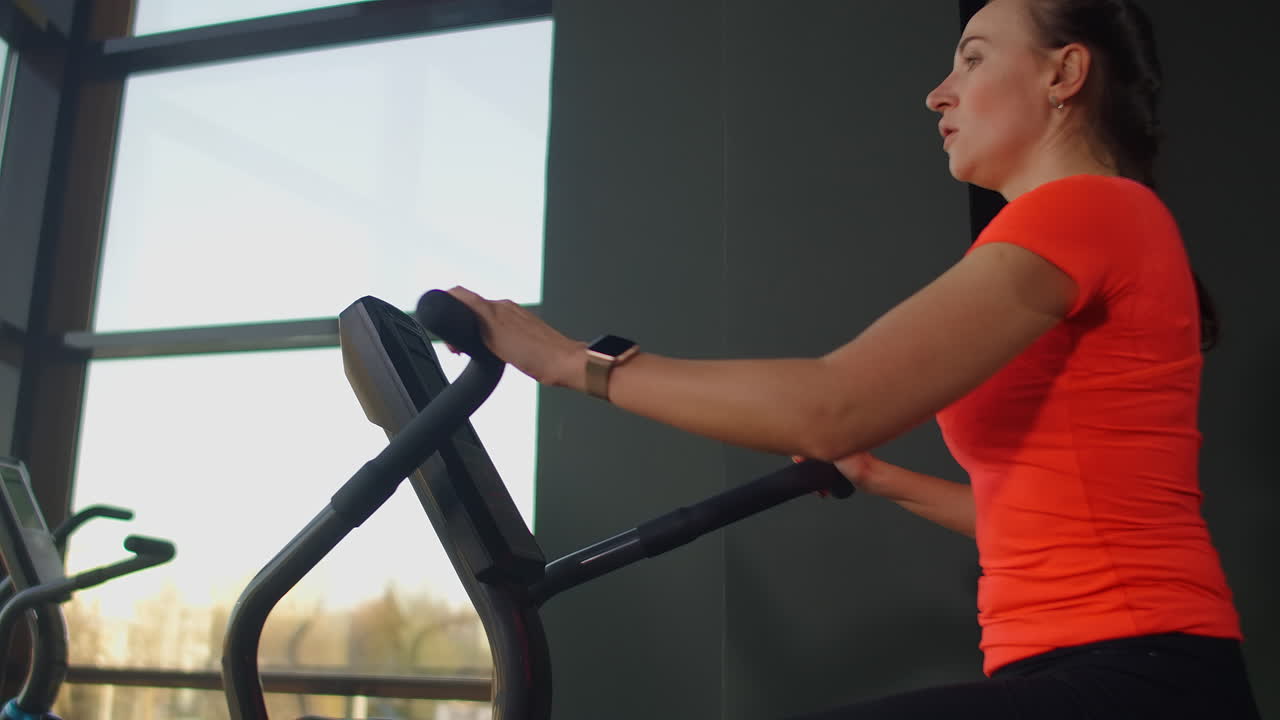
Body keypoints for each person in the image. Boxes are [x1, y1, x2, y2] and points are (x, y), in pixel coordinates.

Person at [445, 0, 1262, 716]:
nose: (937, 93)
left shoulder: (1084, 210)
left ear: (1066, 73)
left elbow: (830, 402)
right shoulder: (1105, 223)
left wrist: (570, 362)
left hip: (1135, 676)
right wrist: (877, 477)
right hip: (1125, 671)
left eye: (973, 59)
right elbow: (1029, 522)